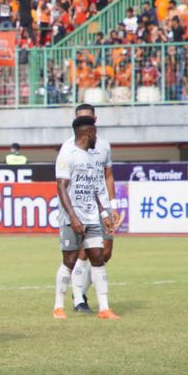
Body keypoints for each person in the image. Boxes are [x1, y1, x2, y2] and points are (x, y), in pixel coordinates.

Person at [53, 115, 118, 320]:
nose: (97, 138)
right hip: (72, 218)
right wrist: (72, 217)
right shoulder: (67, 154)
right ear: (87, 133)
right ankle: (58, 306)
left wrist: (105, 213)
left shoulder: (92, 157)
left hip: (92, 217)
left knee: (98, 258)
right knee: (70, 260)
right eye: (95, 133)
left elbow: (98, 189)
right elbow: (61, 186)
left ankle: (104, 308)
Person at [68, 104, 122, 313]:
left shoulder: (104, 146)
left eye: (88, 120)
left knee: (104, 254)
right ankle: (78, 299)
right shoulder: (68, 147)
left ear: (95, 121)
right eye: (80, 120)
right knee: (84, 252)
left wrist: (112, 205)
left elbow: (108, 175)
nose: (85, 124)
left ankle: (79, 289)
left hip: (102, 205)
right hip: (81, 207)